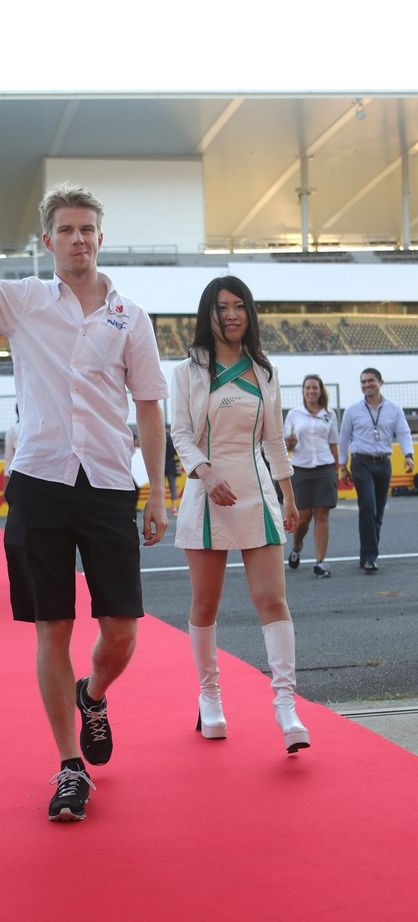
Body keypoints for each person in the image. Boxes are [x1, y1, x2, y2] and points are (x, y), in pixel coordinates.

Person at [0, 124, 168, 822]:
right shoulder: (23, 302)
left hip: (113, 485)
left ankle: (94, 696)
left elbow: (149, 407)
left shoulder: (131, 318)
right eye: (66, 229)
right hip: (40, 482)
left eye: (88, 228)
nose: (79, 238)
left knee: (121, 629)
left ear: (100, 238)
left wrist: (160, 490)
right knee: (51, 627)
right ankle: (68, 766)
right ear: (48, 240)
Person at [171, 276, 310, 755]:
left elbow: (273, 440)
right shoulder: (187, 371)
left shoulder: (265, 370)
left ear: (249, 313)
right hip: (207, 496)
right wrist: (205, 475)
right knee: (205, 604)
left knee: (272, 598)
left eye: (238, 306)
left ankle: (286, 704)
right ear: (207, 313)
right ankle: (209, 696)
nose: (230, 315)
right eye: (221, 307)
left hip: (257, 496)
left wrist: (288, 496)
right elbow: (181, 434)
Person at [338, 367, 414, 573]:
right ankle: (370, 556)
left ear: (381, 383)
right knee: (368, 507)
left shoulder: (394, 409)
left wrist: (409, 455)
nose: (366, 385)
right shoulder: (352, 410)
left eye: (370, 381)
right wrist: (343, 466)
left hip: (384, 462)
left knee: (378, 512)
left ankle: (368, 554)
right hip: (361, 462)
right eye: (363, 382)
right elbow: (343, 438)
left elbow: (404, 433)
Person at [284, 375, 339, 578]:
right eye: (307, 388)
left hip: (325, 468)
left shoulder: (329, 414)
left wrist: (338, 466)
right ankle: (296, 548)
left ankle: (320, 562)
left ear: (320, 390)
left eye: (314, 388)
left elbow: (333, 442)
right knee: (303, 518)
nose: (311, 391)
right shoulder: (294, 414)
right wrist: (290, 442)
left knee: (322, 515)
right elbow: (286, 446)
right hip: (300, 469)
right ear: (303, 391)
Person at [165, 429, 180, 514]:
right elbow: (175, 452)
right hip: (170, 464)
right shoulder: (171, 438)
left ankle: (161, 508)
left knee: (159, 487)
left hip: (160, 465)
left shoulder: (157, 436)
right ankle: (174, 508)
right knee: (173, 487)